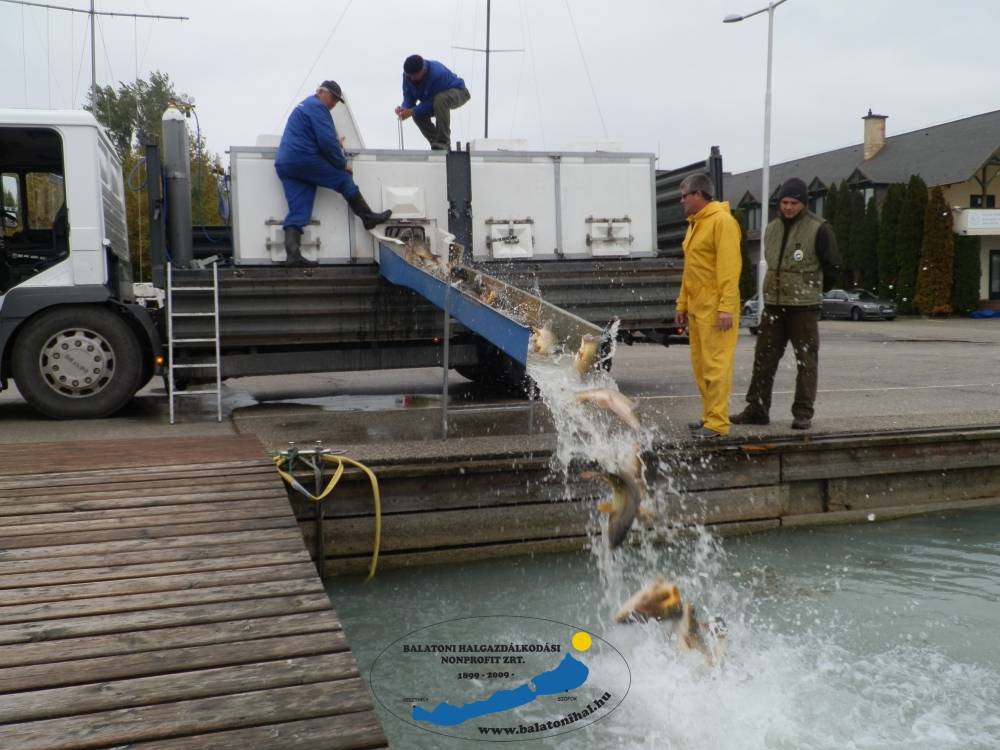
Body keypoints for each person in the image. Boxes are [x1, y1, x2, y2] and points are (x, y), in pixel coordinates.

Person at [731, 177, 841, 431]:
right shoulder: (772, 228)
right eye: (784, 202)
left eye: (793, 203)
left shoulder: (819, 228)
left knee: (806, 361)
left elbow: (833, 266)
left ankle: (803, 412)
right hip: (773, 304)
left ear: (804, 203)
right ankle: (757, 409)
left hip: (804, 307)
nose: (788, 207)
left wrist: (811, 289)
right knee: (763, 359)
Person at [275, 80, 391, 266]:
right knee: (343, 180)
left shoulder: (304, 106)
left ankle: (292, 254)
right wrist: (342, 163)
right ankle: (368, 217)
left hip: (286, 164)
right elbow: (326, 142)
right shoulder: (318, 107)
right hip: (303, 159)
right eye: (334, 99)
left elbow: (315, 137)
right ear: (322, 92)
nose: (334, 104)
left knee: (299, 209)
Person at [674, 173, 742, 439]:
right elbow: (691, 271)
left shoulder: (722, 222)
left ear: (699, 195)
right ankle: (708, 415)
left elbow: (729, 269)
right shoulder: (695, 224)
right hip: (698, 308)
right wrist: (681, 304)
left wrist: (726, 307)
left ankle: (718, 423)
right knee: (702, 365)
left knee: (716, 366)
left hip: (715, 309)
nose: (681, 201)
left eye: (685, 196)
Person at [394, 55, 470, 151]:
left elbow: (431, 102)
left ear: (423, 70)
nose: (412, 79)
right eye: (410, 76)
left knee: (440, 100)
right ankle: (436, 144)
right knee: (417, 114)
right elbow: (409, 96)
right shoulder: (407, 76)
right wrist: (404, 108)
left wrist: (411, 111)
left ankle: (443, 142)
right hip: (434, 100)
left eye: (415, 76)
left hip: (458, 92)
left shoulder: (437, 74)